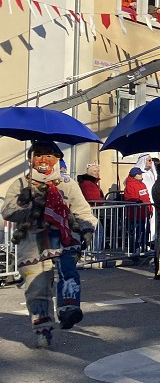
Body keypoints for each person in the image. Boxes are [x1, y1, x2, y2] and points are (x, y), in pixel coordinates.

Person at [2, 140, 97, 347]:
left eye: (49, 155)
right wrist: (24, 204)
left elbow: (81, 210)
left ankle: (68, 310)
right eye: (38, 155)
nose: (43, 160)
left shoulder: (67, 184)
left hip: (64, 237)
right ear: (30, 159)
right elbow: (8, 211)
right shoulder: (20, 184)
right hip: (32, 242)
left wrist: (87, 228)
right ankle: (43, 328)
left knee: (68, 273)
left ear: (57, 159)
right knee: (36, 287)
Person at [123, 167, 153, 254]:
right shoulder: (130, 186)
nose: (141, 175)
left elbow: (147, 198)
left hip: (144, 213)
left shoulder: (142, 184)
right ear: (134, 176)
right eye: (139, 174)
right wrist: (137, 202)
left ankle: (144, 247)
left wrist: (150, 209)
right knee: (136, 234)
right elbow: (129, 198)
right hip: (135, 215)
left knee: (145, 232)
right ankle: (134, 250)